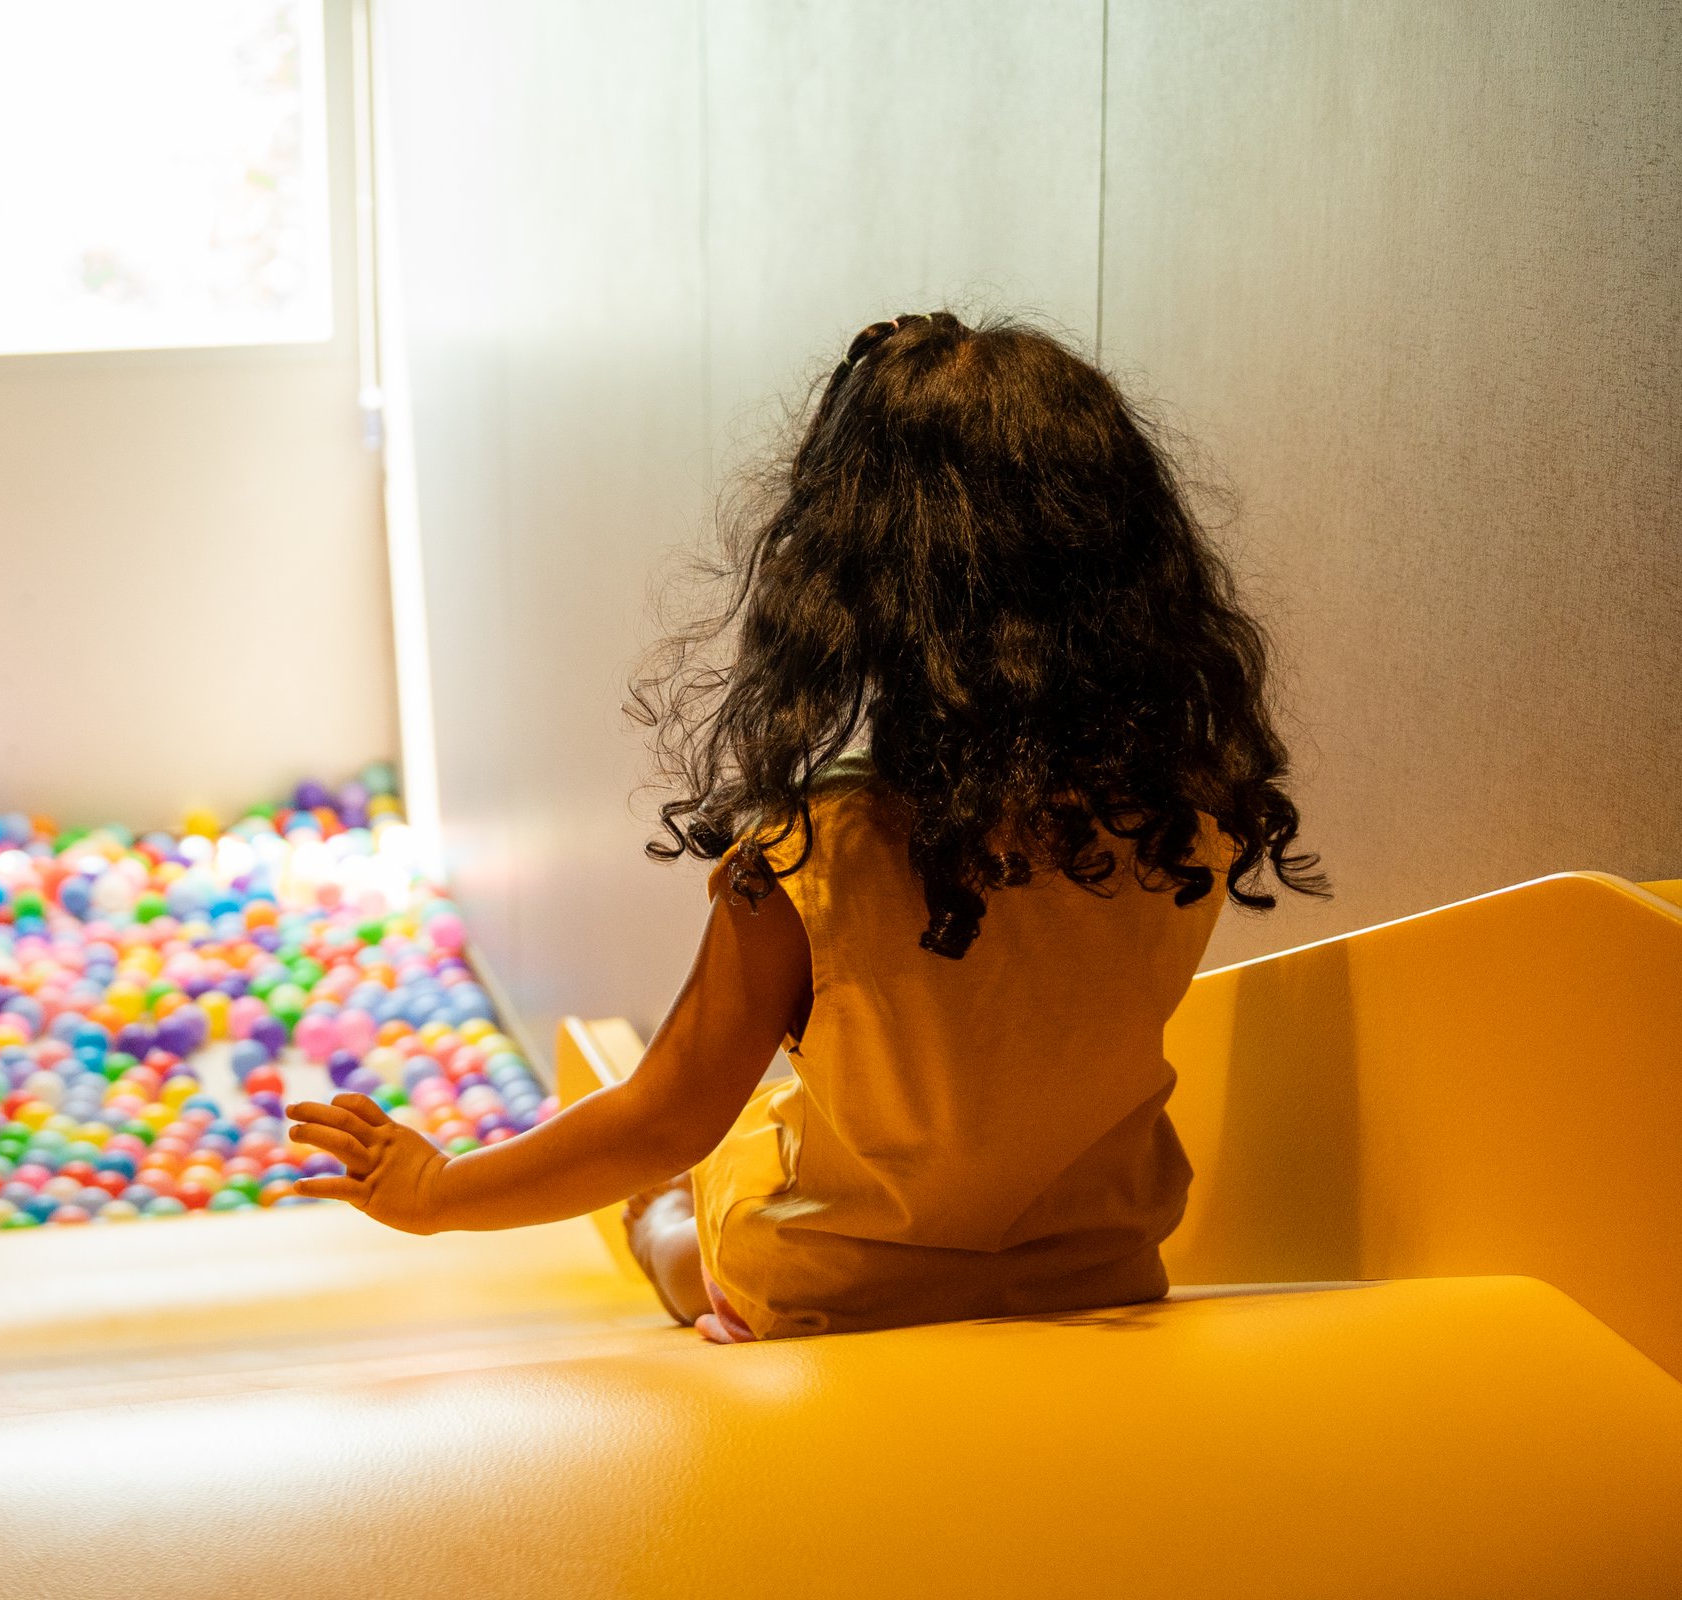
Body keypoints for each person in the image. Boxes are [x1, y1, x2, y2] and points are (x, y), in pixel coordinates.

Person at [288, 312, 1324, 1342]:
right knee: (772, 1134)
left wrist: (438, 1188)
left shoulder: (817, 850)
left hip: (838, 1295)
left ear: (852, 582)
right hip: (1096, 1270)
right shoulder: (1186, 816)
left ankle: (658, 1228)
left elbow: (664, 1116)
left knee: (683, 1216)